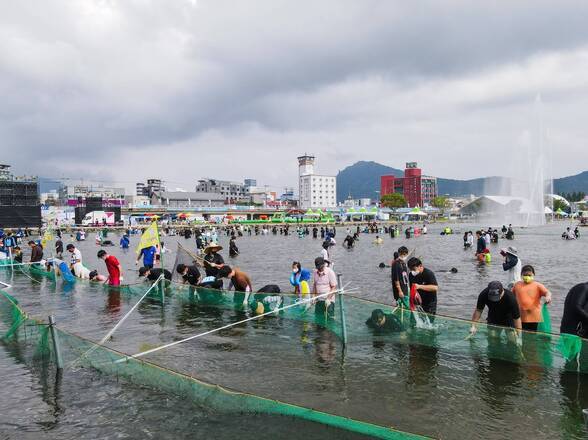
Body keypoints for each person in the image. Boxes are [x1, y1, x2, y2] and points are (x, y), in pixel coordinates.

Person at [512, 265, 552, 332]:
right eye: (525, 275)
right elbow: (511, 296)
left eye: (529, 275)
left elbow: (547, 292)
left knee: (533, 336)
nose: (527, 277)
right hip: (521, 317)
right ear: (521, 275)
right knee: (522, 335)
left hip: (535, 318)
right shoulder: (517, 285)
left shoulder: (537, 285)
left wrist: (548, 297)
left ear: (533, 275)